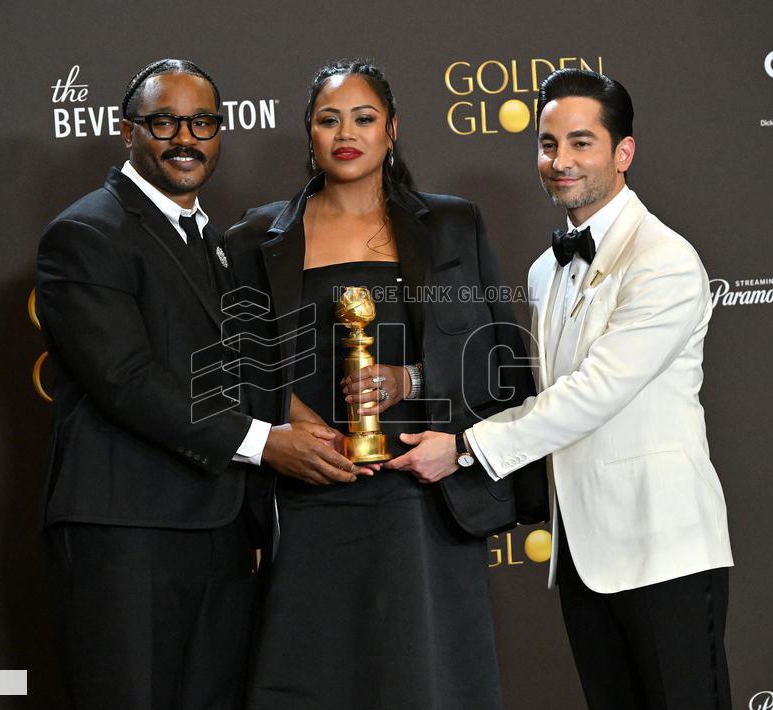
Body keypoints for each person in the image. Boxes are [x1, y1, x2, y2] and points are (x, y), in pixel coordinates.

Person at [387, 68, 734, 710]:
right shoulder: (546, 269)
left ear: (622, 152)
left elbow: (593, 394)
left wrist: (464, 447)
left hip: (665, 551)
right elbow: (529, 383)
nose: (561, 161)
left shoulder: (665, 261)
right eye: (548, 144)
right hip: (582, 555)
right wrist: (411, 379)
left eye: (581, 143)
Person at [35, 58, 364, 710]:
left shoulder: (210, 237)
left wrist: (303, 422)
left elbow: (230, 369)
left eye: (202, 122)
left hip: (220, 529)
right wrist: (266, 442)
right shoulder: (86, 233)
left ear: (220, 132)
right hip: (128, 534)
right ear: (127, 130)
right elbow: (127, 381)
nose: (186, 138)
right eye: (164, 122)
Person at [225, 59, 547, 710]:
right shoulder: (255, 238)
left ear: (392, 129)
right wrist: (286, 414)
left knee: (424, 683)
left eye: (365, 117)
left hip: (421, 499)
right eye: (328, 119)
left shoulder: (453, 225)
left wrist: (411, 377)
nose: (347, 132)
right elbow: (230, 361)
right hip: (307, 499)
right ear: (308, 135)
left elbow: (499, 357)